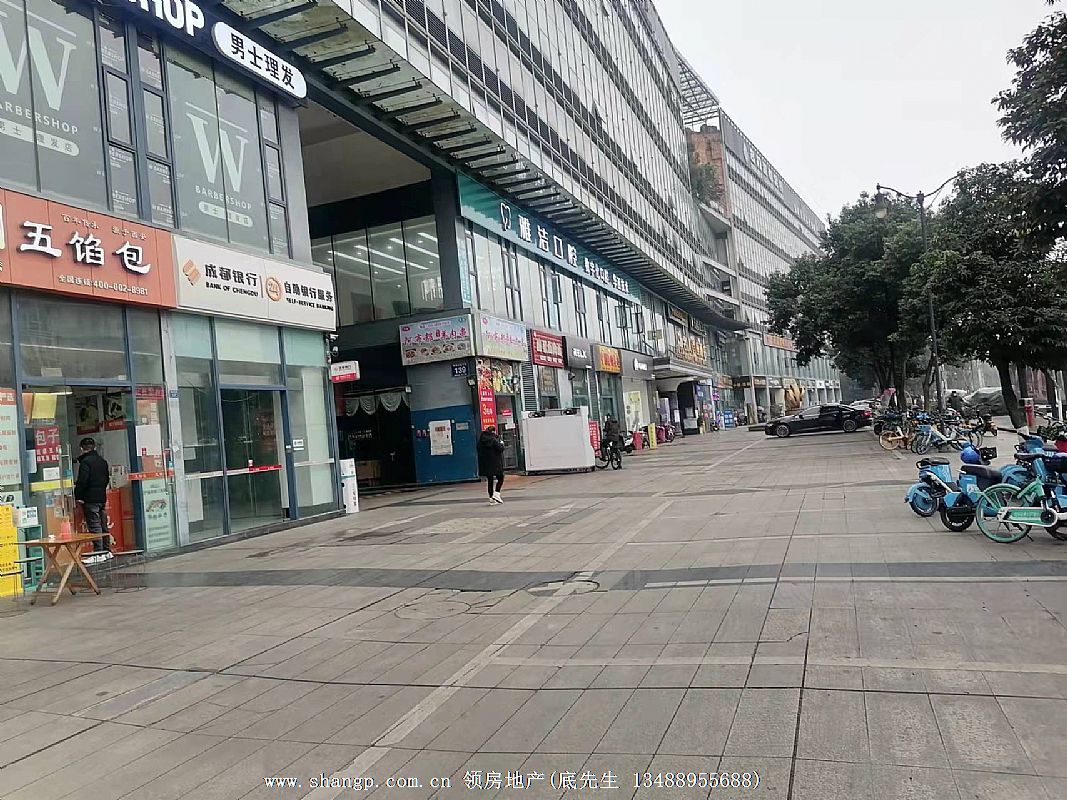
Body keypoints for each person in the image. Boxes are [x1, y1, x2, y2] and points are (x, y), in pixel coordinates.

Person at [74, 437, 111, 558]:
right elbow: (106, 479)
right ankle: (107, 551)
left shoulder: (85, 462)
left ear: (81, 449)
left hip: (90, 498)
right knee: (103, 525)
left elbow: (82, 481)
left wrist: (78, 496)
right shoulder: (102, 461)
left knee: (95, 526)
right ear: (94, 447)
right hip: (101, 497)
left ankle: (98, 553)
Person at [477, 426, 506, 505]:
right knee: (500, 477)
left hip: (486, 463)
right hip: (495, 462)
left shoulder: (481, 441)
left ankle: (491, 498)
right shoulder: (493, 440)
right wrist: (502, 444)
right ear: (493, 431)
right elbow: (500, 449)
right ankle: (497, 493)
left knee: (490, 480)